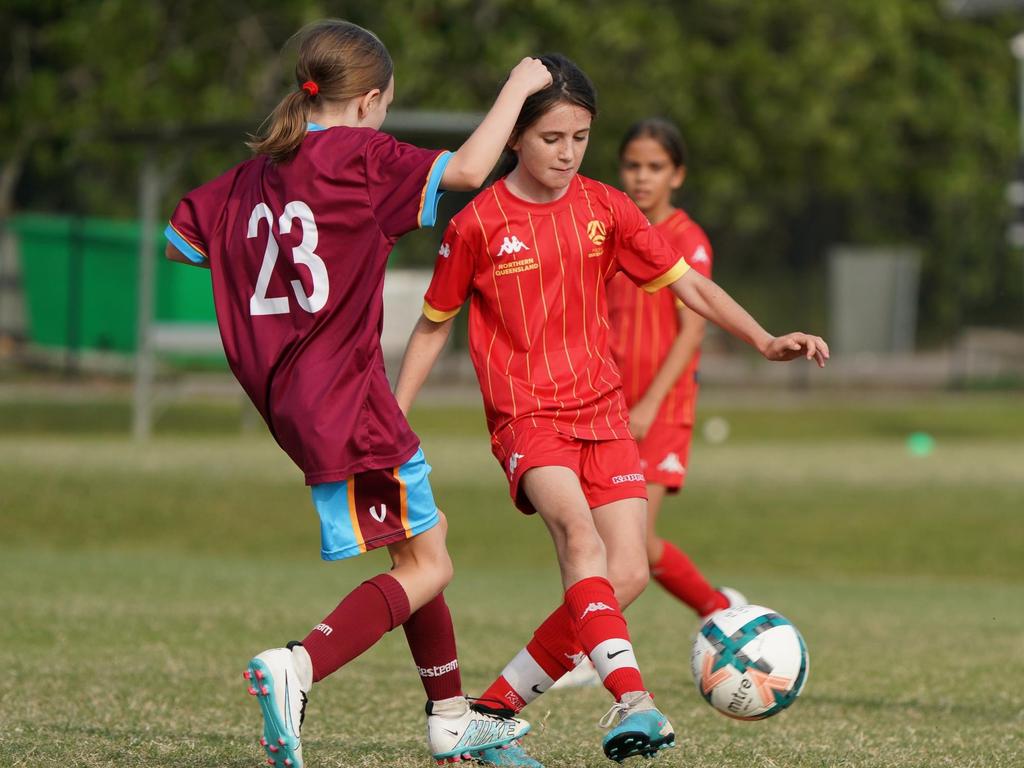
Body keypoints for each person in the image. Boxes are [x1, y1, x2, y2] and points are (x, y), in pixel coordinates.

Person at [395, 54, 828, 767]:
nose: (567, 154)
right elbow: (435, 323)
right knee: (580, 540)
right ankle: (633, 700)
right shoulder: (477, 224)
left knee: (626, 573)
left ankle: (489, 714)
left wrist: (764, 338)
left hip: (602, 414)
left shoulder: (606, 209)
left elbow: (691, 286)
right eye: (550, 138)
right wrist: (397, 416)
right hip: (527, 418)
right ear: (515, 139)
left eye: (580, 138)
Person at [162, 19, 552, 768]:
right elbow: (469, 170)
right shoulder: (360, 158)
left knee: (419, 542)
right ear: (370, 100)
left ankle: (449, 718)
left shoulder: (250, 175)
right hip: (348, 396)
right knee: (431, 565)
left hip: (291, 403)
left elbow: (181, 239)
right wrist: (519, 85)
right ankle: (298, 666)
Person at [609, 118, 746, 617]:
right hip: (610, 405)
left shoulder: (686, 238)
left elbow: (692, 329)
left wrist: (647, 404)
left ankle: (717, 609)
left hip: (660, 406)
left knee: (636, 541)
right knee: (601, 538)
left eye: (655, 167)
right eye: (632, 165)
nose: (642, 177)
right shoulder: (612, 229)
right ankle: (588, 650)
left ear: (677, 175)